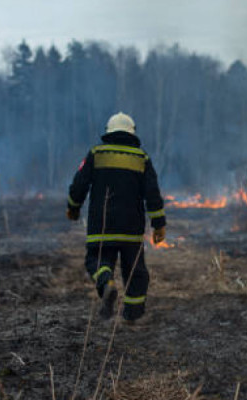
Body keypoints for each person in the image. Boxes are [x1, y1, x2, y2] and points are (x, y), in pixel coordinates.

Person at [66, 112, 166, 322]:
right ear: (132, 133)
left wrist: (73, 208)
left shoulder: (96, 153)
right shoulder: (141, 158)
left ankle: (106, 281)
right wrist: (159, 225)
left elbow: (79, 185)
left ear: (108, 132)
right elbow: (152, 193)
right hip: (131, 229)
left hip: (101, 226)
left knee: (97, 260)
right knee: (136, 273)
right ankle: (132, 315)